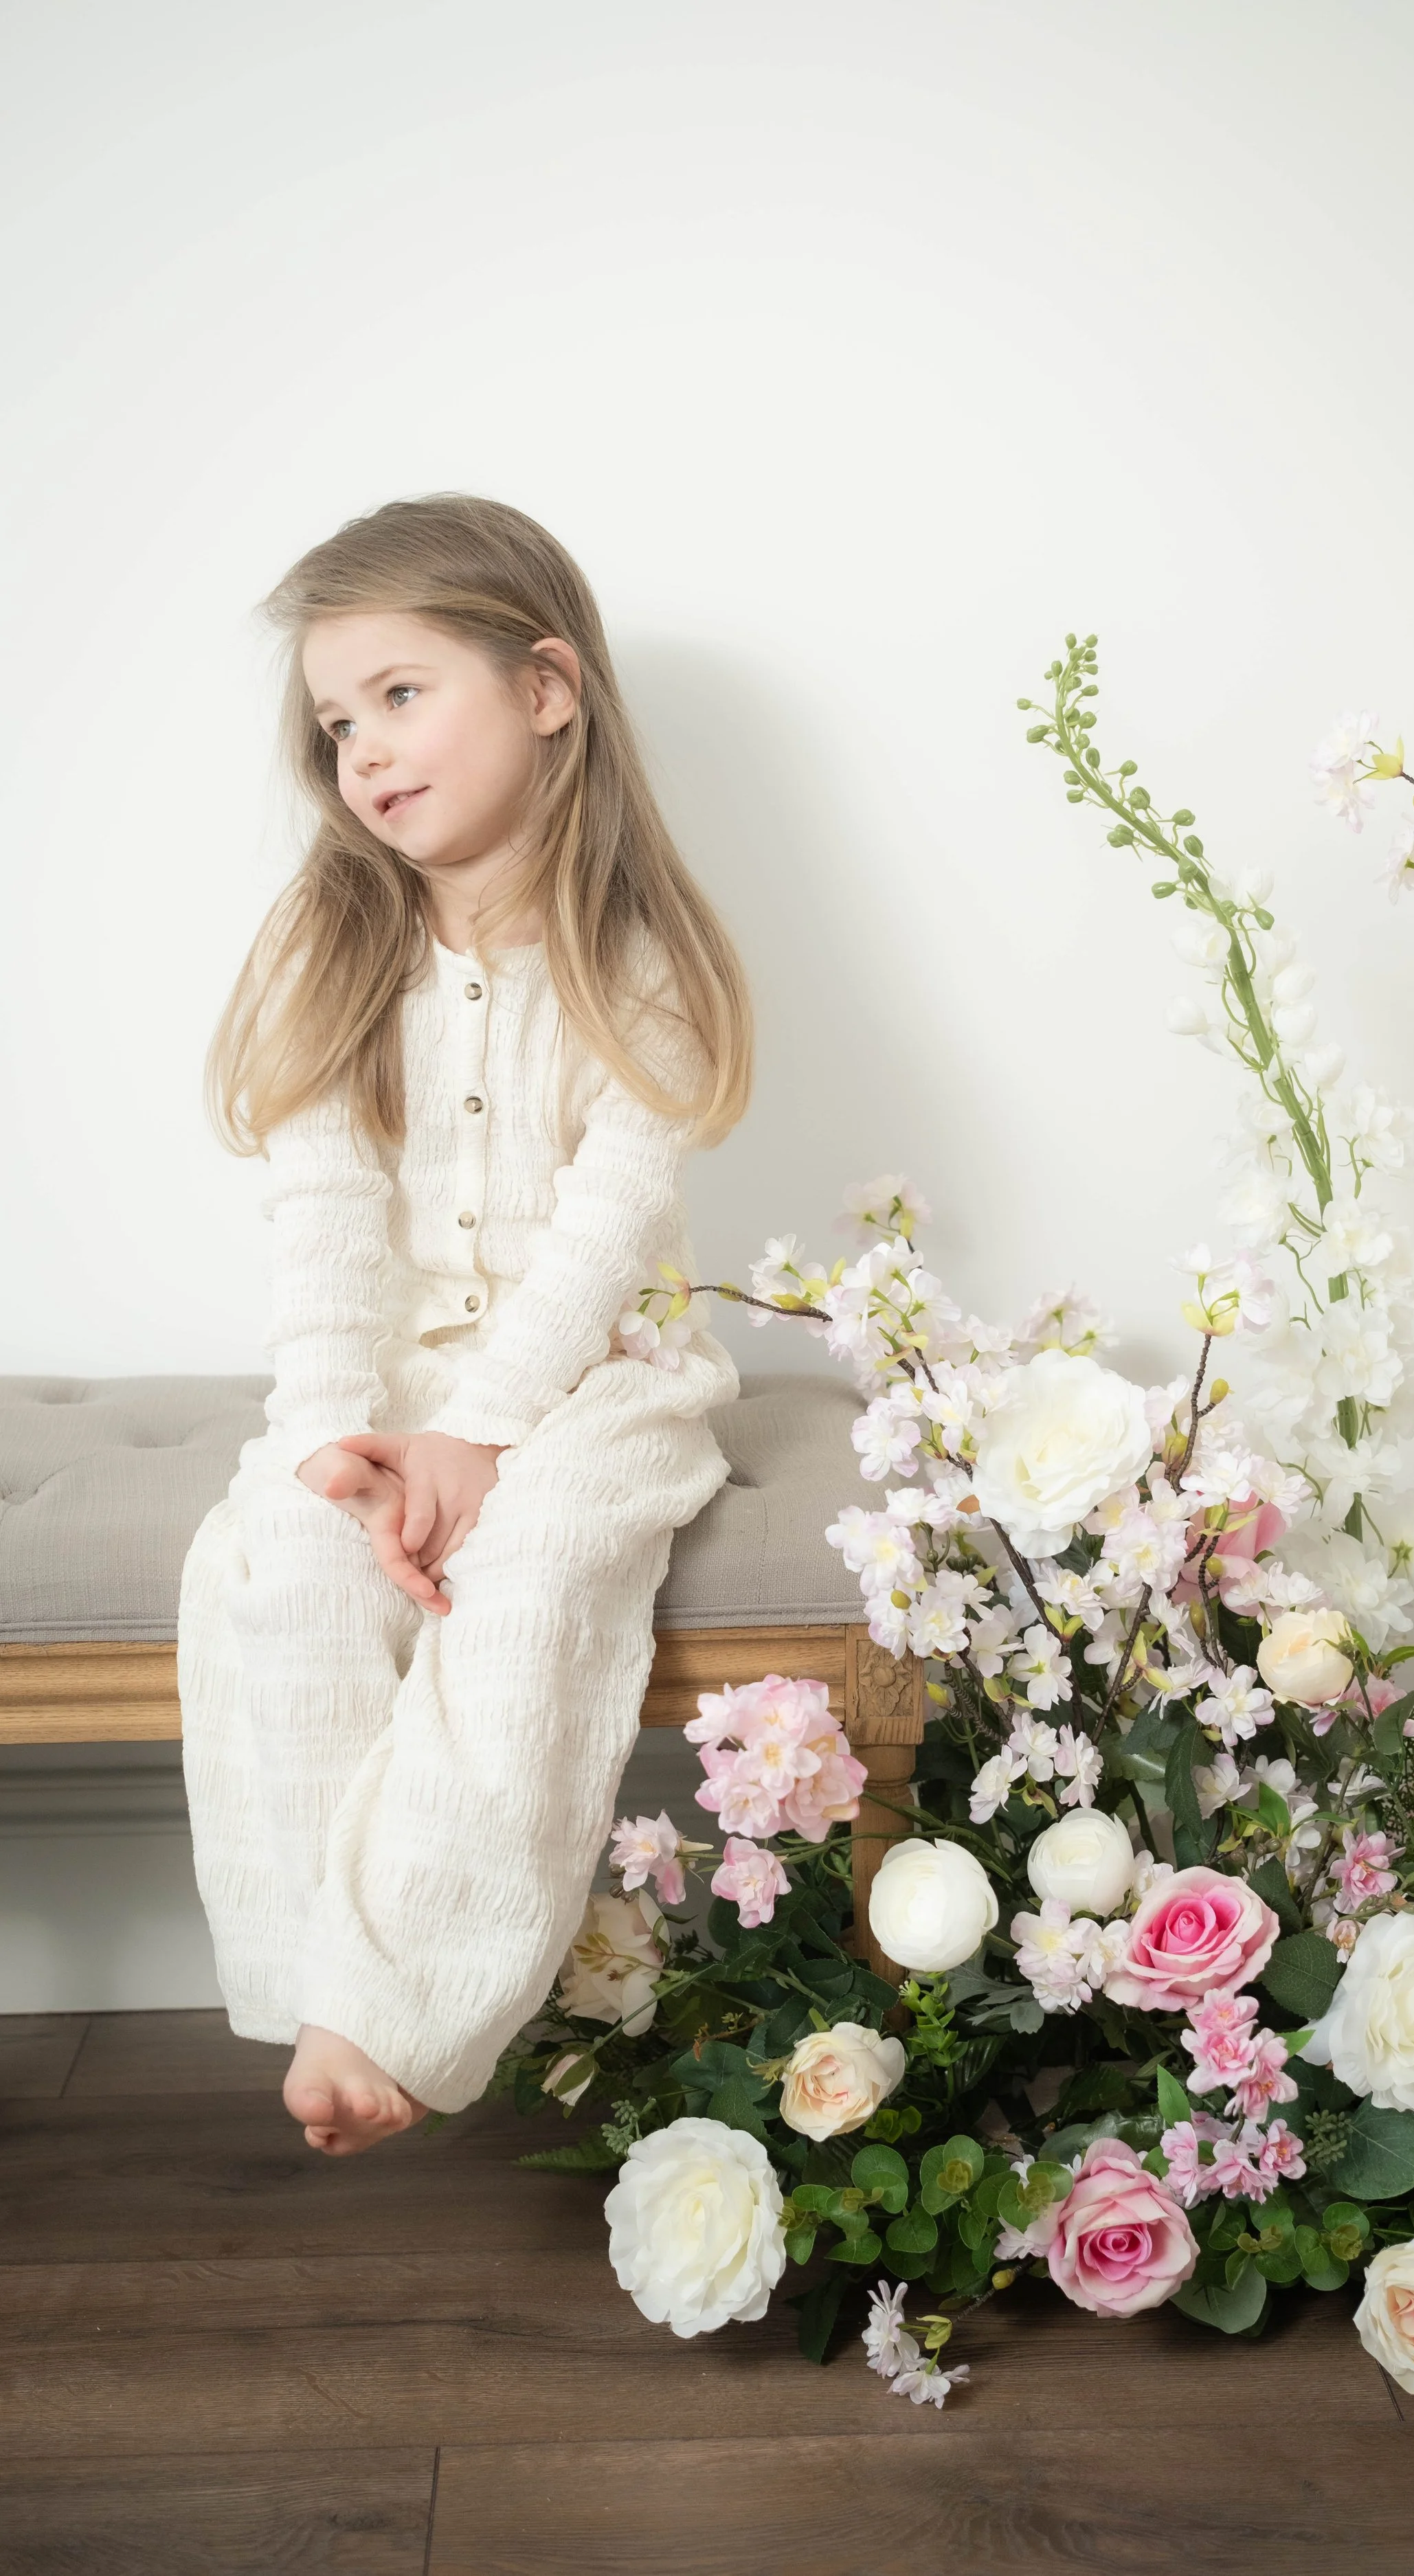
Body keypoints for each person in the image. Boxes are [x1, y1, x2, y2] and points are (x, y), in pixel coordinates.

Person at [177, 493, 750, 2157]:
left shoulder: (628, 952)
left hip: (591, 1384)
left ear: (548, 688)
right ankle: (323, 1988)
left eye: (399, 695)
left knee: (535, 1571)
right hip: (396, 1381)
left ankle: (400, 2001)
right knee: (279, 1562)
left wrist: (485, 1438)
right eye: (336, 722)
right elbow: (326, 1222)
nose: (360, 748)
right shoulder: (328, 939)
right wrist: (337, 1442)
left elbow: (602, 1238)